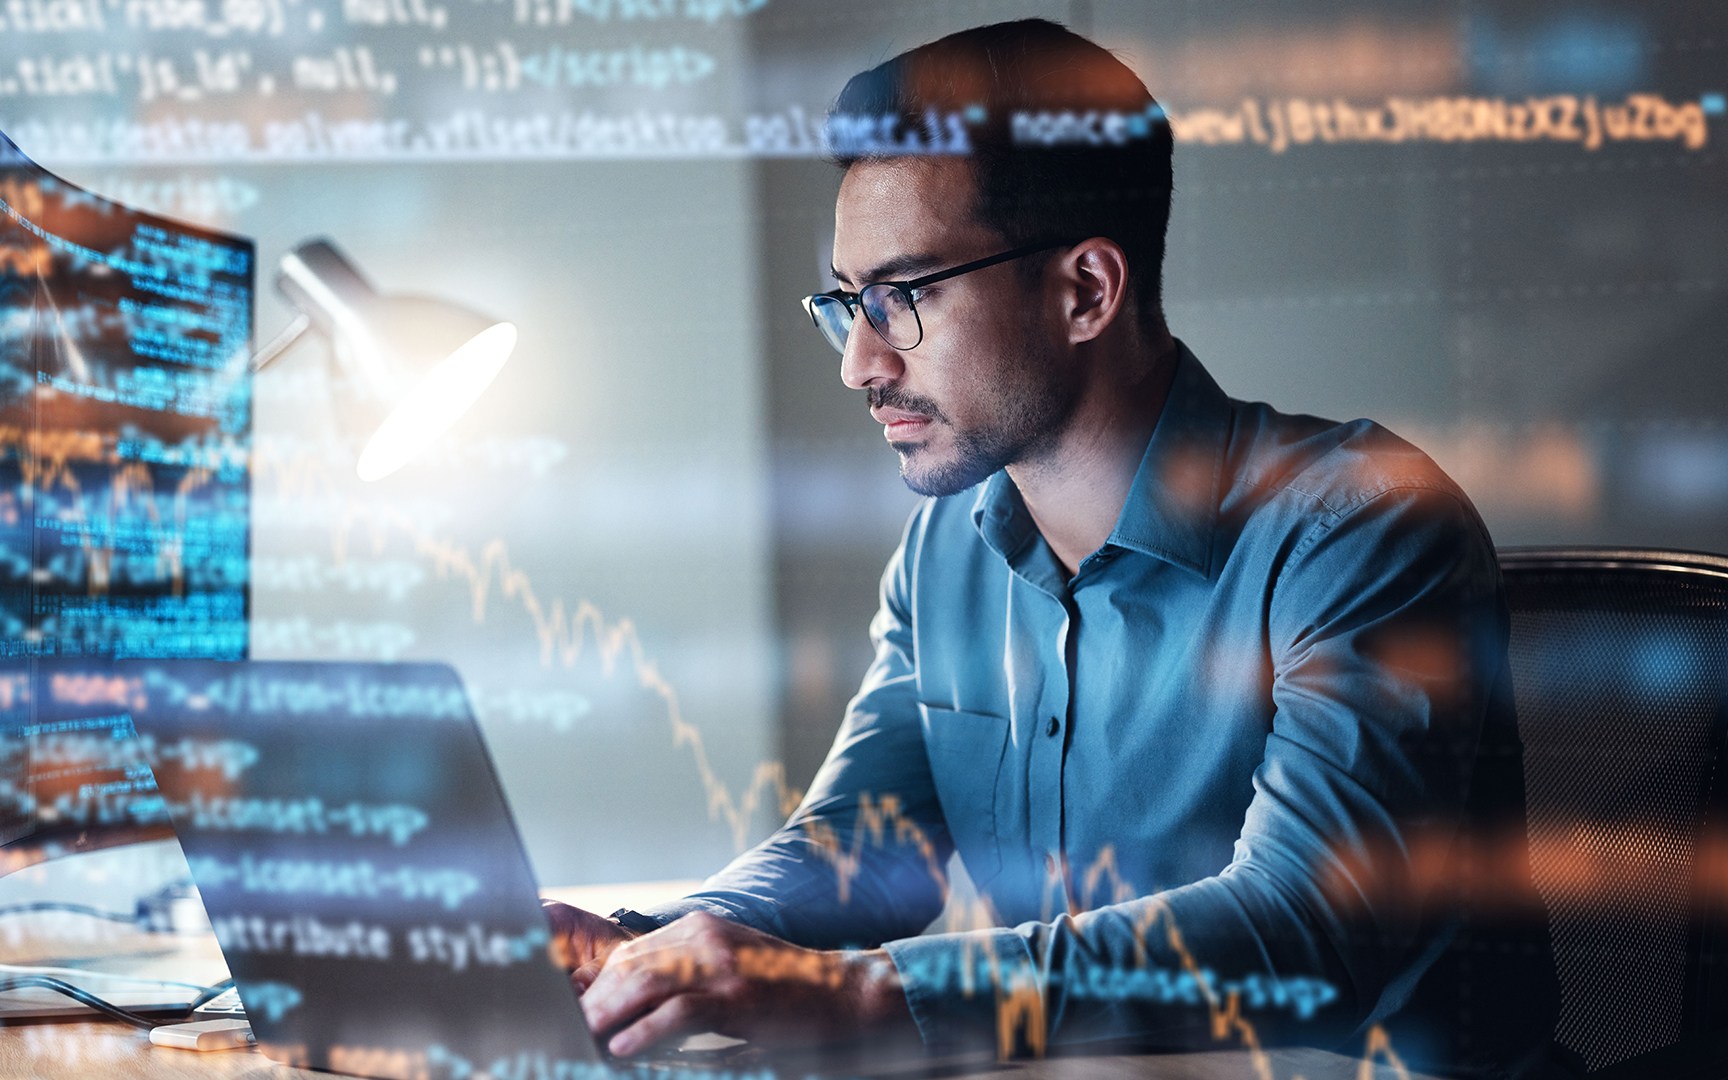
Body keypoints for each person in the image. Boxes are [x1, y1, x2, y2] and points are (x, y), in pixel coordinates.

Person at [546, 18, 1563, 1079]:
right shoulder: (947, 547)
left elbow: (1305, 929)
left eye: (900, 299)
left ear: (1085, 291)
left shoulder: (1361, 527)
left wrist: (862, 994)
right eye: (847, 304)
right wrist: (654, 942)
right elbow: (865, 845)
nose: (859, 363)